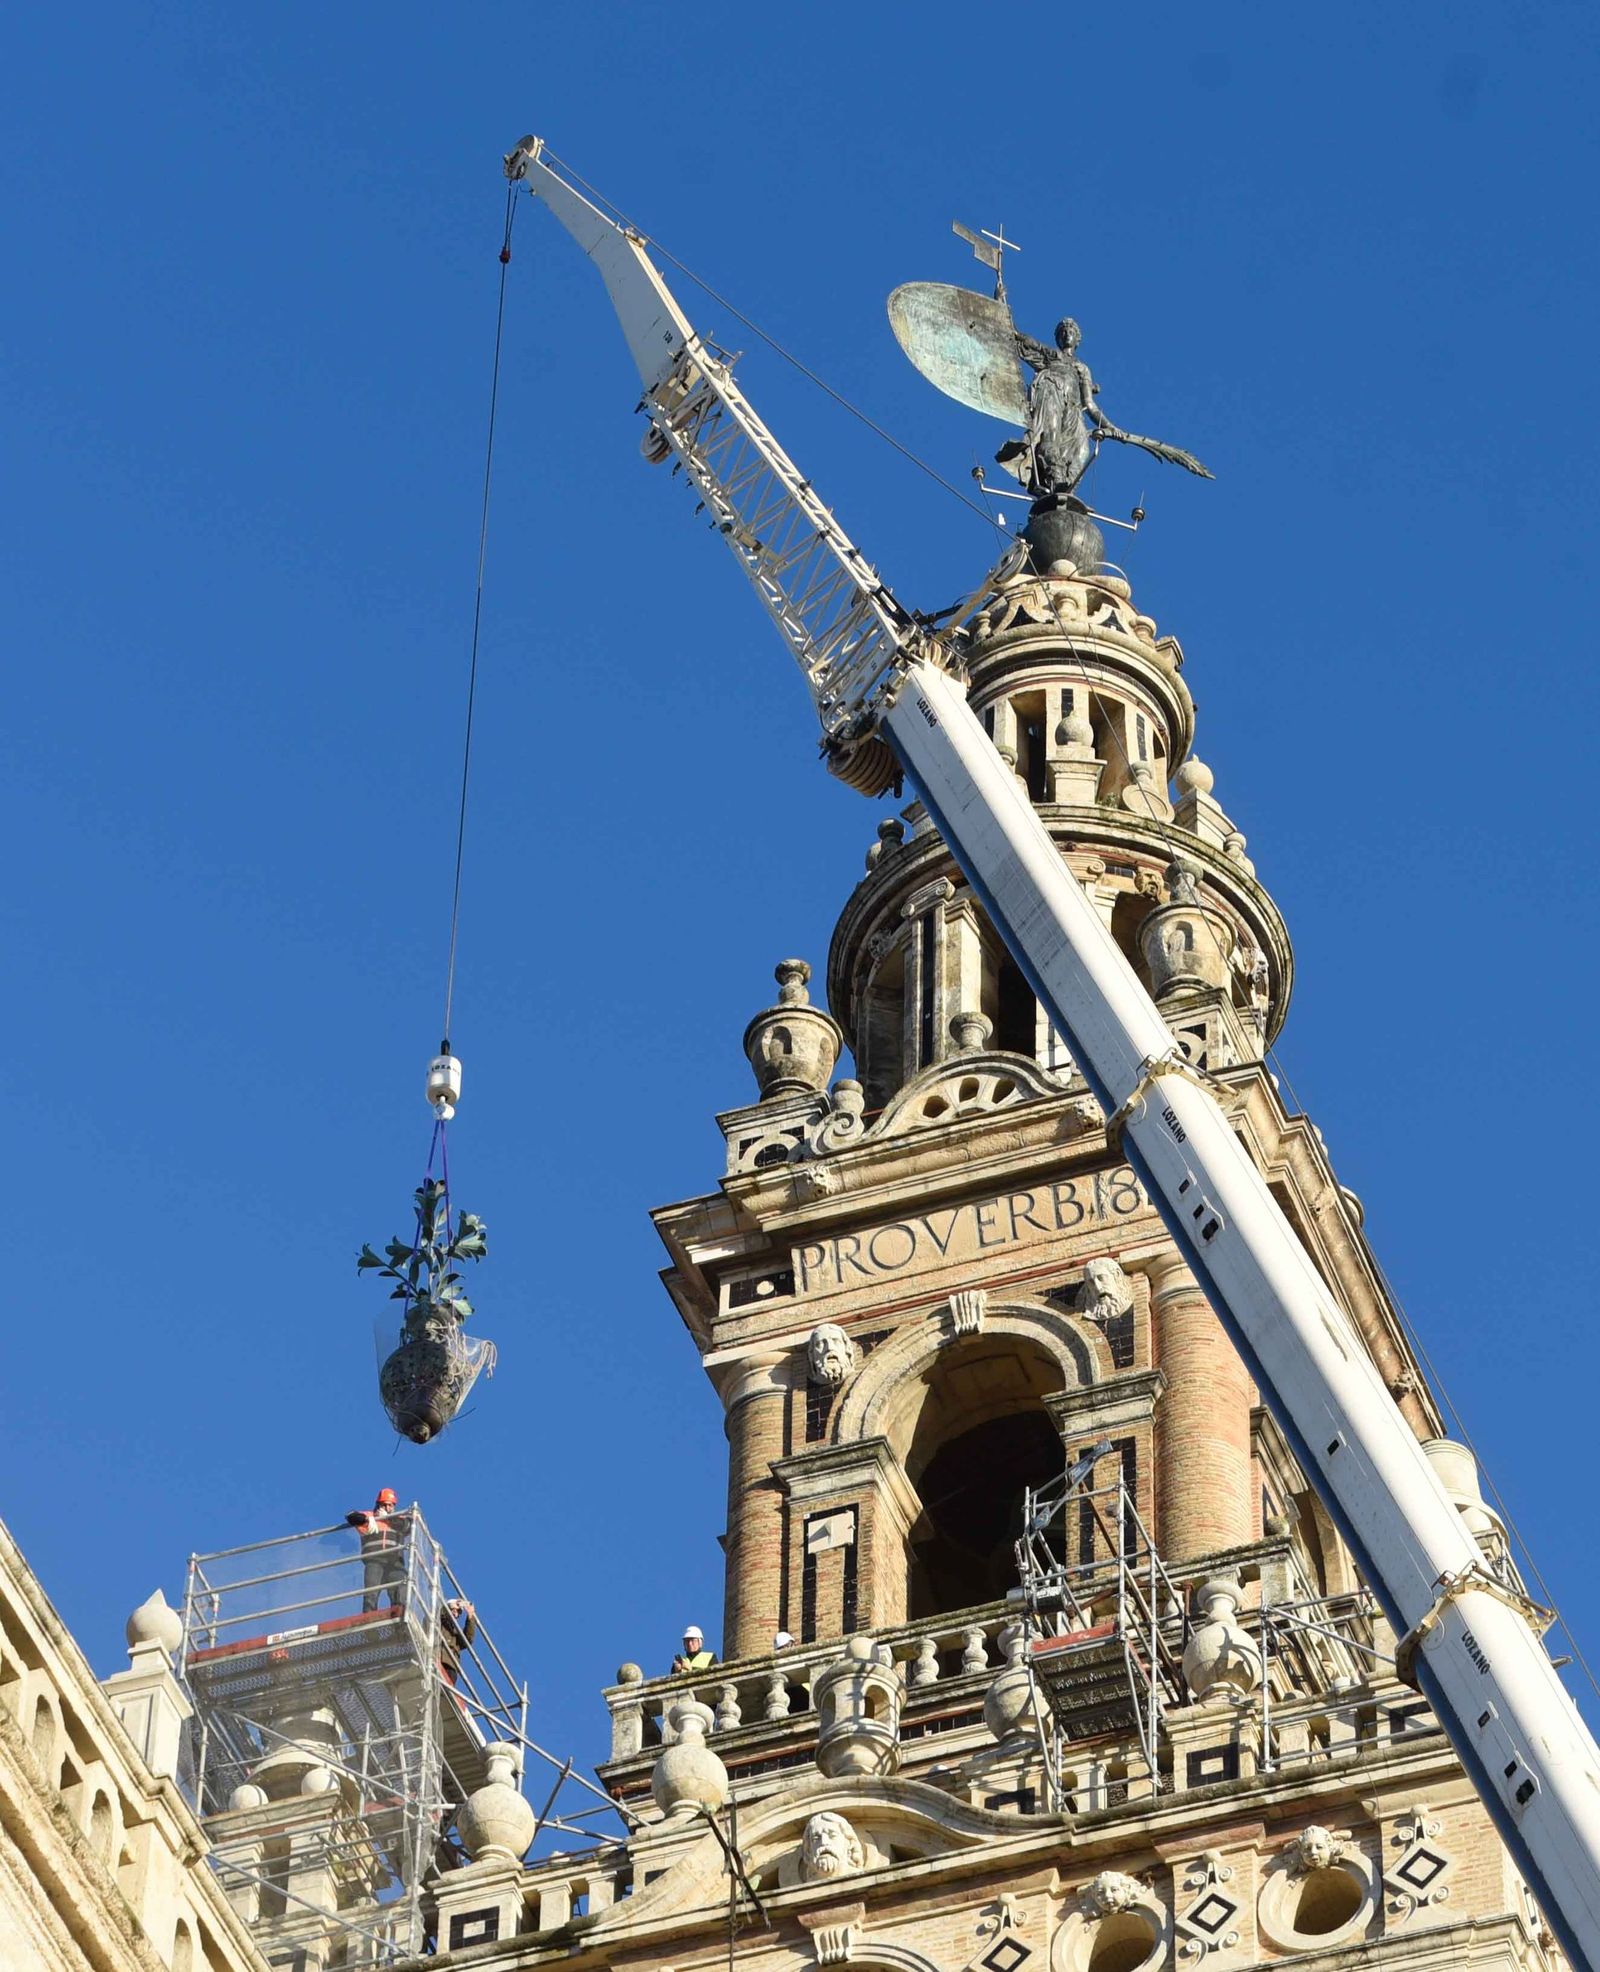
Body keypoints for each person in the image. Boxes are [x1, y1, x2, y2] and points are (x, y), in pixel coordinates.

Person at [347, 1488, 407, 1613]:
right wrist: (367, 1520)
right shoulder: (370, 1517)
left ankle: (399, 1619)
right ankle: (369, 1620)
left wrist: (389, 1518)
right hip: (375, 1560)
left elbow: (407, 1527)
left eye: (390, 1505)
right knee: (371, 1593)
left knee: (399, 1592)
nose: (387, 1507)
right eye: (384, 1504)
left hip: (395, 1562)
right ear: (378, 1504)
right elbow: (350, 1516)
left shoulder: (400, 1518)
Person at [440, 1596, 478, 1687]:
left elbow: (468, 1639)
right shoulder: (438, 1622)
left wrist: (470, 1616)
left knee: (446, 1691)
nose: (455, 1613)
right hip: (437, 1658)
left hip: (451, 1666)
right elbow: (439, 1614)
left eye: (458, 1612)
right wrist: (451, 1604)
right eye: (453, 1609)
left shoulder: (455, 1634)